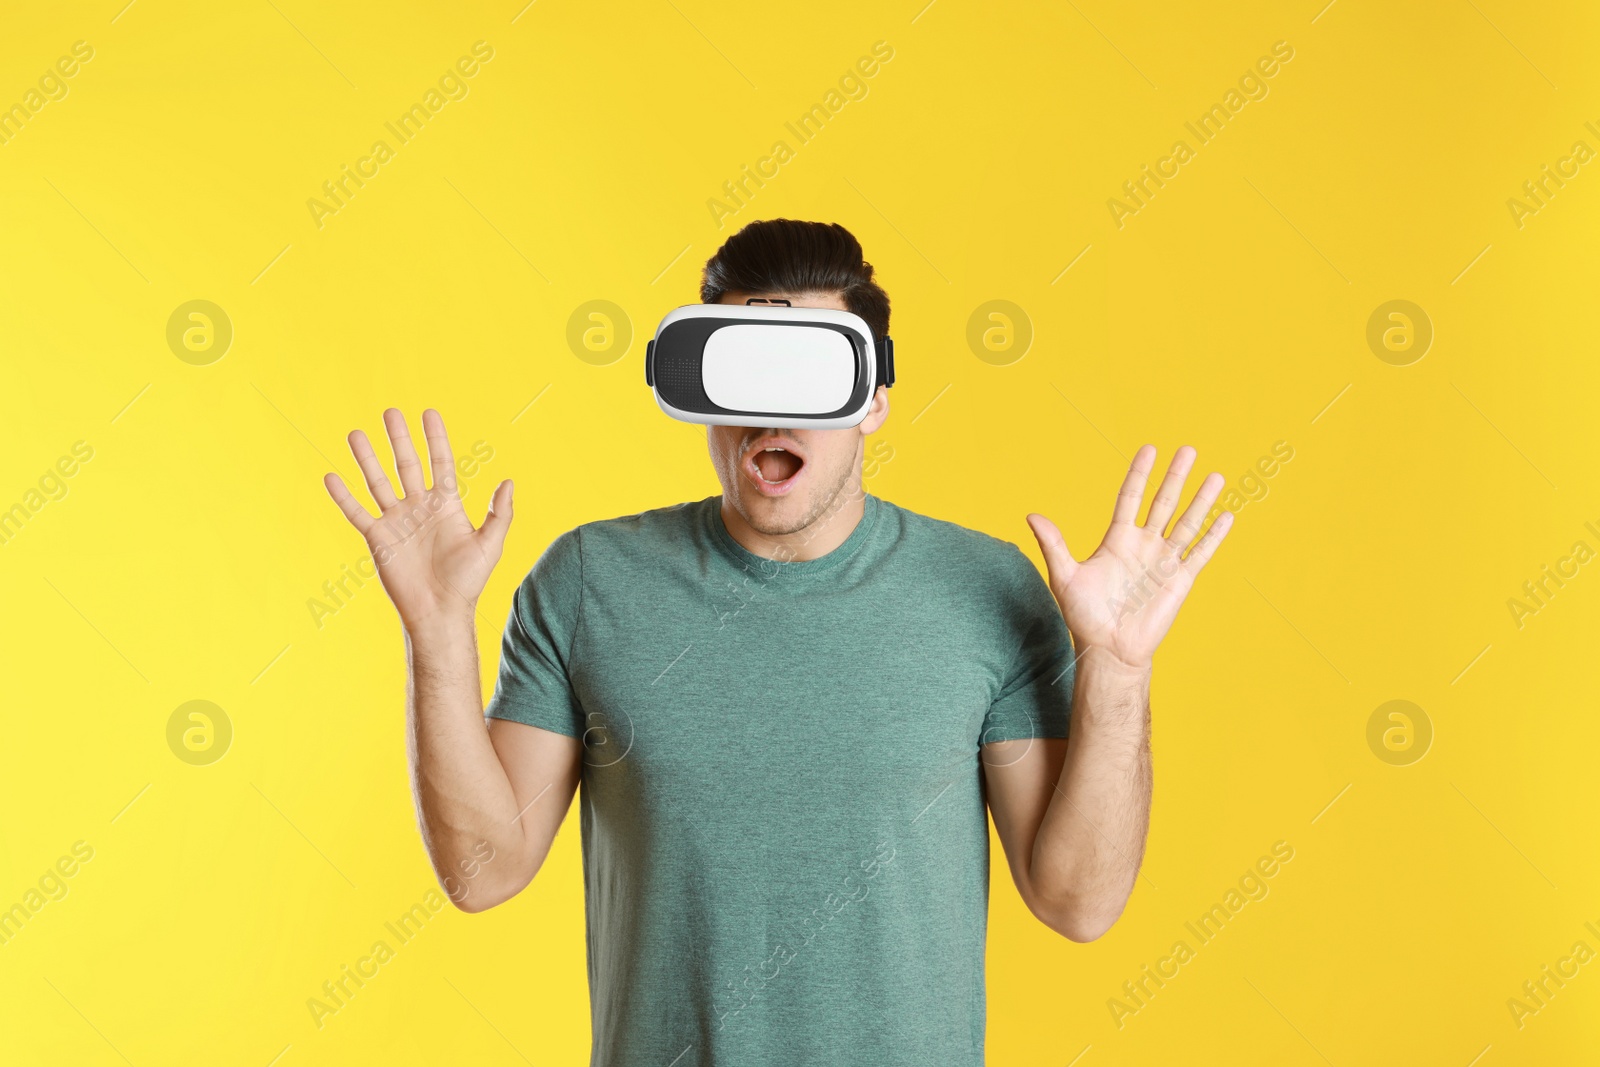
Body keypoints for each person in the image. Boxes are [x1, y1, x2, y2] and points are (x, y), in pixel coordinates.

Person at [322, 219, 1233, 1066]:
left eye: (808, 377)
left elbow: (1079, 901)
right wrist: (439, 634)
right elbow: (481, 872)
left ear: (874, 400)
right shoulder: (590, 582)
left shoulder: (985, 592)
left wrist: (1116, 668)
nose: (772, 414)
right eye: (744, 372)